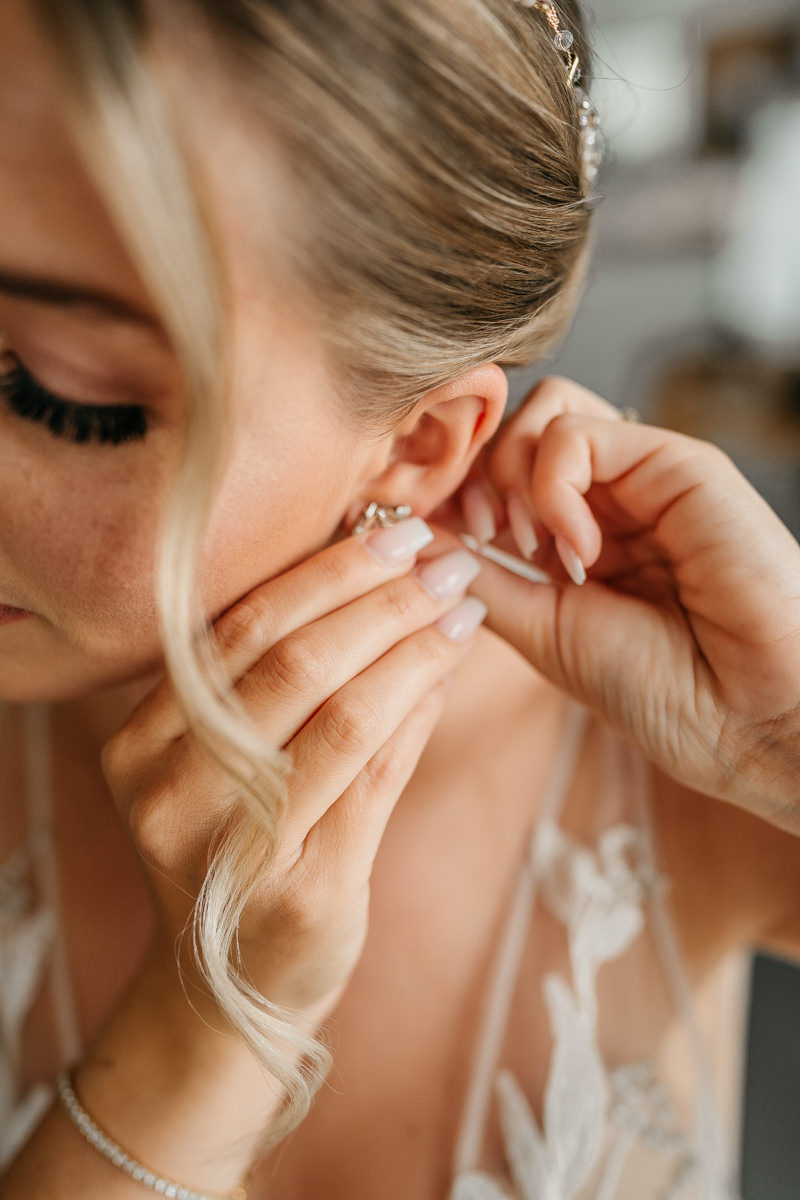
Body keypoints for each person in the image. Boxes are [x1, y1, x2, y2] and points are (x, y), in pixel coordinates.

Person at [1, 0, 799, 1198]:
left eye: (64, 399)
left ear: (420, 445)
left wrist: (785, 747)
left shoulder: (673, 765)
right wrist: (202, 1040)